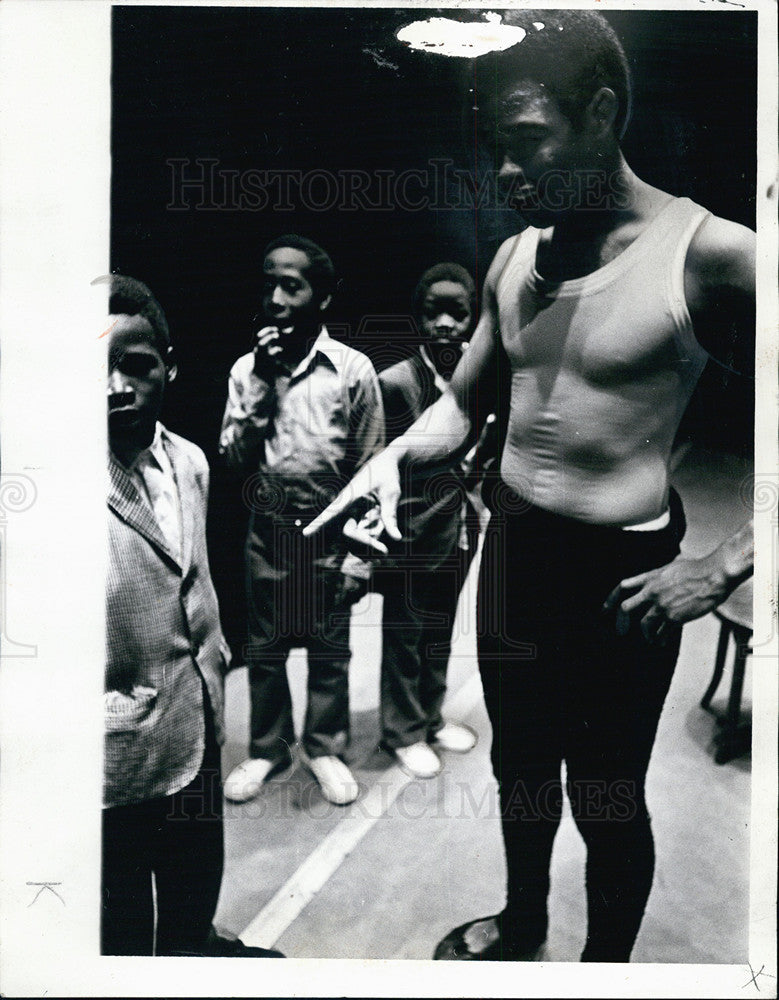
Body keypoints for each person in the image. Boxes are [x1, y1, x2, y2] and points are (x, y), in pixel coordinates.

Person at [304, 10, 754, 962]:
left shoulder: (714, 255)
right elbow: (463, 407)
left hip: (619, 580)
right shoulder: (516, 255)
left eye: (526, 146)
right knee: (518, 770)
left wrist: (724, 563)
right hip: (514, 554)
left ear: (599, 114)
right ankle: (520, 927)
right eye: (494, 152)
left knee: (607, 796)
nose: (505, 177)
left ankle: (603, 974)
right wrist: (388, 462)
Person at [102, 274, 282, 957]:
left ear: (169, 367)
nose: (116, 385)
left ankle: (193, 947)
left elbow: (193, 582)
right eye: (94, 369)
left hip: (198, 722)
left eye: (136, 365)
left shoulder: (191, 462)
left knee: (194, 875)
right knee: (118, 916)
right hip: (114, 753)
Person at [219, 235, 384, 807]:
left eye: (293, 285)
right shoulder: (247, 369)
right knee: (263, 651)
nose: (277, 297)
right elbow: (234, 457)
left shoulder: (351, 369)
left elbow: (371, 470)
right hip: (267, 533)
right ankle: (268, 748)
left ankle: (323, 746)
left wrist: (361, 554)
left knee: (329, 650)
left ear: (324, 297)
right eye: (269, 283)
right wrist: (263, 384)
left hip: (330, 533)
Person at [376, 263, 488, 779]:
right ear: (418, 317)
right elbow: (377, 463)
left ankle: (429, 716)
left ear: (473, 318)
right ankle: (401, 732)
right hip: (411, 526)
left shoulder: (483, 377)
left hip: (462, 524)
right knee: (405, 630)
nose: (445, 323)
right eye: (433, 313)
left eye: (457, 313)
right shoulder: (397, 383)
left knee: (441, 627)